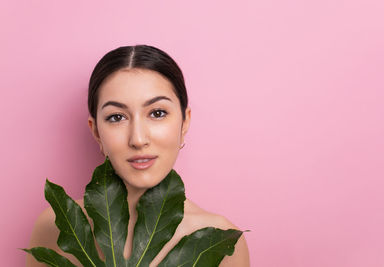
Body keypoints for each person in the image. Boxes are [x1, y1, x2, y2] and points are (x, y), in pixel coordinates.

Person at [26, 44, 250, 266]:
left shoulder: (222, 241)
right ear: (95, 131)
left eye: (157, 113)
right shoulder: (56, 226)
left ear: (184, 122)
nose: (138, 139)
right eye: (116, 117)